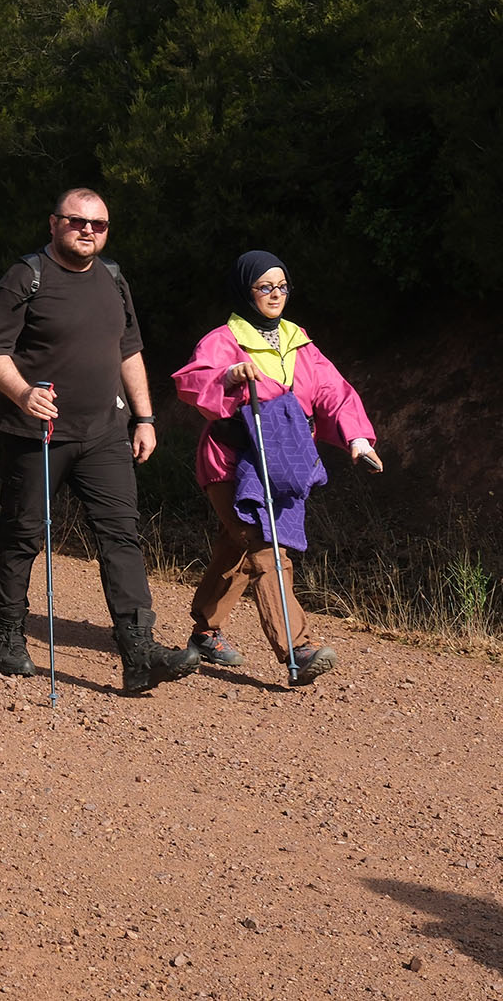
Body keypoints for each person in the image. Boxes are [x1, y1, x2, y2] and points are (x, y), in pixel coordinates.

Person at [0, 188, 201, 693]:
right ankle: (8, 638)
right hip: (38, 433)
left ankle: (139, 653)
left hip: (105, 434)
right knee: (22, 533)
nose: (87, 231)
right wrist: (21, 393)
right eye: (77, 222)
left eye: (98, 225)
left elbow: (129, 351)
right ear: (53, 223)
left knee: (122, 536)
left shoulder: (113, 280)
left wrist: (144, 417)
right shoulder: (24, 277)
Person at [171, 251, 382, 684]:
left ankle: (205, 632)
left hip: (281, 460)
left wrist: (358, 441)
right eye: (264, 287)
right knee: (264, 544)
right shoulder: (223, 339)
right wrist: (228, 377)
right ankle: (298, 648)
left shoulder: (297, 340)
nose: (275, 295)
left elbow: (334, 393)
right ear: (244, 291)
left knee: (236, 546)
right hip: (232, 460)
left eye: (282, 286)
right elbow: (191, 382)